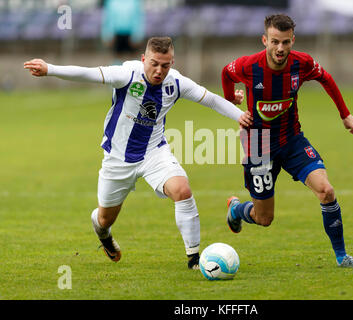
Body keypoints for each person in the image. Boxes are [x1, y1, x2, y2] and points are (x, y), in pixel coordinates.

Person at [24, 37, 253, 269]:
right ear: (143, 59)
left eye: (165, 65)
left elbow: (211, 99)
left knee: (182, 191)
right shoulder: (126, 74)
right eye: (154, 63)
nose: (159, 70)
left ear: (172, 63)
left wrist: (239, 115)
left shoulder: (175, 83)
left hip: (154, 153)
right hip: (117, 158)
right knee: (104, 220)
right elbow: (88, 73)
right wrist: (49, 69)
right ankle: (103, 234)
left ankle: (194, 259)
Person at [221, 14, 353, 268]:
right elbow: (226, 72)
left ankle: (342, 257)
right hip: (258, 146)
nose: (280, 48)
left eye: (286, 42)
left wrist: (345, 115)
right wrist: (232, 104)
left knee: (327, 191)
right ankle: (237, 210)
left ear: (293, 40)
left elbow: (327, 78)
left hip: (292, 140)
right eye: (275, 42)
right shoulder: (249, 66)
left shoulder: (302, 63)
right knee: (264, 218)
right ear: (264, 40)